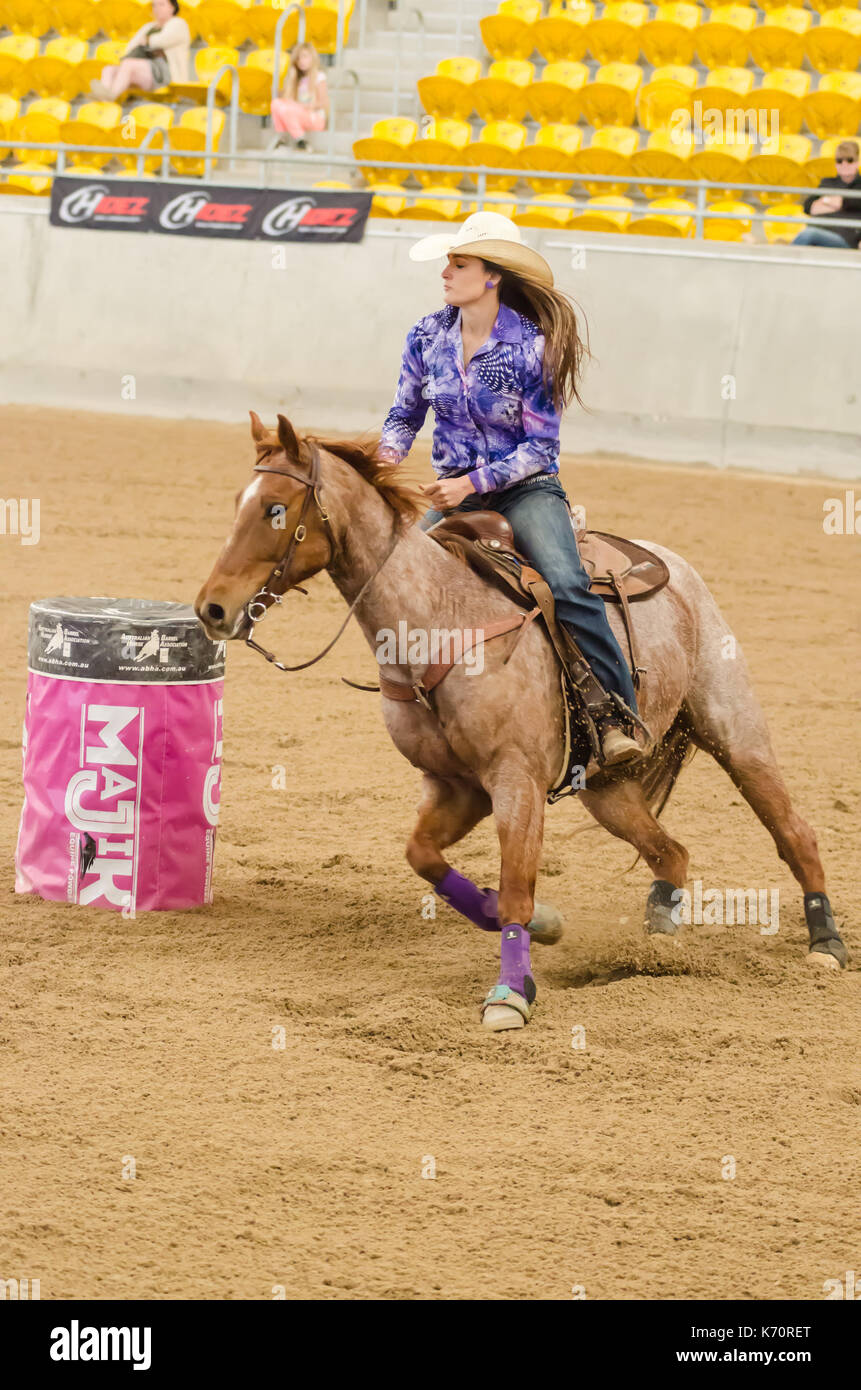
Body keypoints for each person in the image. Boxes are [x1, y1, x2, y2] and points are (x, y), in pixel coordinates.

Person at [378, 211, 644, 768]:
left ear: (492, 274)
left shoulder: (531, 346)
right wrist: (380, 465)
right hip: (454, 493)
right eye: (448, 262)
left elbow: (540, 448)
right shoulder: (427, 336)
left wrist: (468, 484)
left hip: (526, 491)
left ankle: (616, 712)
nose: (446, 272)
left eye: (460, 262)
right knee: (392, 572)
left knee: (567, 583)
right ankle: (425, 698)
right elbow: (404, 415)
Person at [90, 0, 190, 102]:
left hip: (166, 72)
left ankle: (111, 96)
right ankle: (104, 98)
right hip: (144, 68)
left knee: (129, 64)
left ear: (172, 7)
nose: (157, 8)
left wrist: (146, 40)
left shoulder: (179, 24)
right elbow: (132, 46)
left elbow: (160, 41)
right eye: (154, 5)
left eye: (161, 5)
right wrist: (146, 41)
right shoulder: (148, 27)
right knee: (108, 69)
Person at [794, 140, 861, 249]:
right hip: (820, 231)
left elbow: (853, 203)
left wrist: (824, 202)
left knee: (809, 234)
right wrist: (833, 203)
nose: (844, 164)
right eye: (840, 161)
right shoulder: (827, 182)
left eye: (849, 160)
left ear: (857, 162)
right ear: (835, 164)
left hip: (845, 238)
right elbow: (808, 206)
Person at [270, 41, 329, 150]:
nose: (301, 61)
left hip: (314, 117)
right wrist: (291, 79)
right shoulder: (297, 79)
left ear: (312, 58)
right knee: (276, 103)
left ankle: (300, 139)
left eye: (304, 57)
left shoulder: (319, 76)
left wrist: (303, 106)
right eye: (298, 58)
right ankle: (284, 138)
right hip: (297, 115)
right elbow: (286, 101)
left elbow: (323, 103)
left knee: (288, 108)